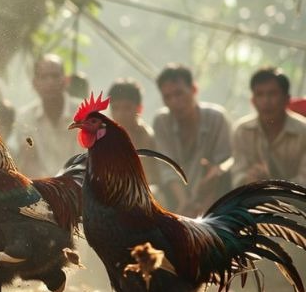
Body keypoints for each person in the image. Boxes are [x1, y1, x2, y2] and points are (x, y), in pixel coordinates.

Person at [152, 64, 232, 216]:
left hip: (213, 196)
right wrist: (184, 202)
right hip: (175, 199)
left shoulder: (217, 118)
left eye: (179, 94)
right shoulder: (162, 121)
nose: (174, 101)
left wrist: (216, 171)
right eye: (167, 97)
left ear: (194, 89)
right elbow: (166, 168)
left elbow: (225, 161)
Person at [232, 67, 306, 187]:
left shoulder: (304, 132)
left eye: (273, 94)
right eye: (259, 94)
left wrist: (270, 183)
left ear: (286, 99)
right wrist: (249, 179)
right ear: (253, 101)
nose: (266, 101)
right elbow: (237, 175)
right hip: (251, 199)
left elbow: (304, 182)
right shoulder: (242, 130)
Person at [12, 54, 79, 177]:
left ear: (66, 80)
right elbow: (29, 160)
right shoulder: (25, 118)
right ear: (35, 83)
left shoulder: (85, 115)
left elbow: (87, 162)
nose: (50, 82)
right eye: (44, 77)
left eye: (55, 76)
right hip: (43, 188)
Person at [106, 78, 159, 186]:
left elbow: (152, 179)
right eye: (115, 108)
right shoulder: (103, 136)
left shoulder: (147, 138)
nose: (120, 114)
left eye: (127, 108)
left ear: (139, 109)